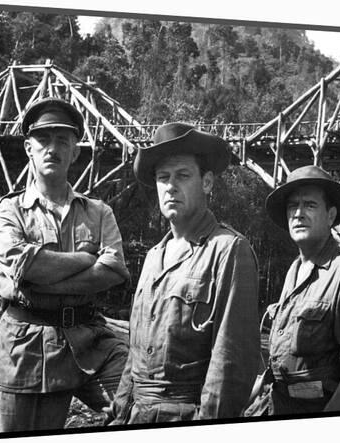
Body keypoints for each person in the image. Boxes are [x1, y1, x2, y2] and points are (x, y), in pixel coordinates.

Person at [0, 97, 130, 432]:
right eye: (43, 140)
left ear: (75, 152)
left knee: (140, 399)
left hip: (88, 341)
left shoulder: (98, 212)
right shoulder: (7, 211)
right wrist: (85, 259)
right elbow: (26, 265)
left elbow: (114, 269)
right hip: (23, 347)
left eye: (62, 140)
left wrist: (39, 281)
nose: (53, 148)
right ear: (28, 149)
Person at [108, 122, 260, 424]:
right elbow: (134, 357)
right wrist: (117, 414)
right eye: (163, 177)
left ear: (206, 183)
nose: (170, 186)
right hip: (135, 416)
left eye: (183, 175)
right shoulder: (154, 257)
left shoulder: (228, 250)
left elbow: (230, 362)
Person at [263, 165, 340, 415]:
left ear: (330, 216)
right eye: (292, 206)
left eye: (310, 205)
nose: (298, 213)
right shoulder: (293, 271)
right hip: (278, 407)